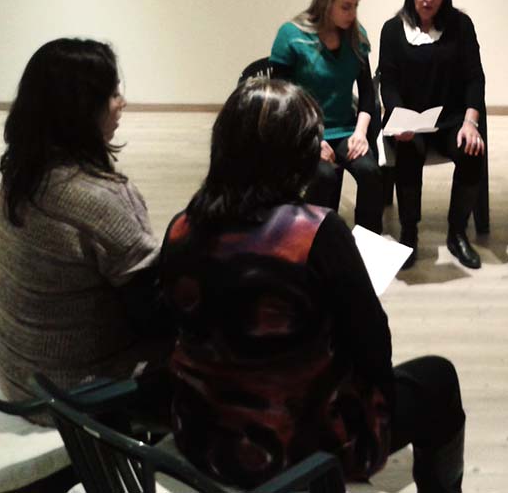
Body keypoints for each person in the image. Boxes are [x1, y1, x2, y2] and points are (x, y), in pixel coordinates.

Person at [160, 78, 466, 491]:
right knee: (438, 379)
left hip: (201, 434)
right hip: (295, 450)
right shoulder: (315, 232)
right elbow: (372, 343)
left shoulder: (181, 227)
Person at [0, 38, 170, 406]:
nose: (122, 102)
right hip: (68, 392)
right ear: (83, 109)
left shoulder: (21, 171)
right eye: (113, 93)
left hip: (16, 370)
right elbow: (154, 315)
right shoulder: (101, 199)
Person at [378, 0, 486, 269]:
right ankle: (409, 232)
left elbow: (475, 77)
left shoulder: (461, 26)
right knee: (409, 151)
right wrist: (400, 118)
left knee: (471, 151)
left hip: (451, 119)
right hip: (408, 119)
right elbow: (389, 83)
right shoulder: (393, 30)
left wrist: (470, 123)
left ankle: (457, 232)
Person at [270, 0, 383, 233]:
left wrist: (360, 133)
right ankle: (315, 239)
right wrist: (312, 139)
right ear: (326, 2)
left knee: (370, 172)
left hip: (344, 129)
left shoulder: (355, 36)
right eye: (346, 6)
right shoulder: (292, 36)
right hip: (302, 132)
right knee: (324, 176)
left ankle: (367, 243)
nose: (352, 13)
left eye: (356, 5)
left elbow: (367, 93)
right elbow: (280, 101)